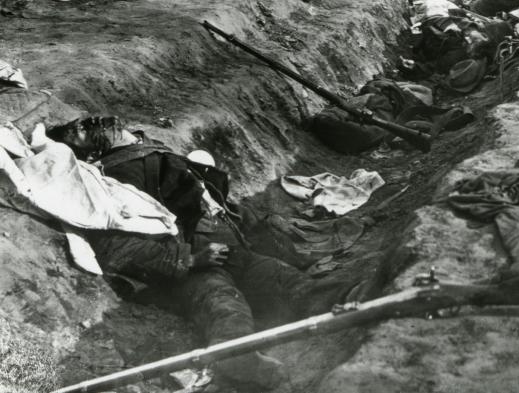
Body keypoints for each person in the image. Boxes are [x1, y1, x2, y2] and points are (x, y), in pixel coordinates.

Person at [48, 116, 360, 389]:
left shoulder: (149, 149)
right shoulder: (114, 178)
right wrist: (191, 260)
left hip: (223, 249)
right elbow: (117, 248)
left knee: (285, 278)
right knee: (223, 303)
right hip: (184, 264)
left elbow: (209, 200)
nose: (97, 121)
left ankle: (360, 297)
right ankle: (236, 359)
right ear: (92, 153)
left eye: (89, 119)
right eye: (83, 130)